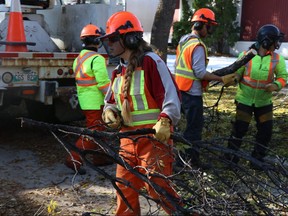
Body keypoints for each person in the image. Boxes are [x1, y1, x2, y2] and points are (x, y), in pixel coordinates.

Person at [100, 11, 182, 215]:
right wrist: (109, 112)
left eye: (112, 39)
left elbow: (171, 96)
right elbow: (109, 101)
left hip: (152, 141)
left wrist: (166, 120)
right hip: (127, 142)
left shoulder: (151, 62)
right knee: (124, 189)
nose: (109, 44)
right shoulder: (118, 71)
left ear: (129, 39)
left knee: (159, 190)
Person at [174, 8, 236, 166]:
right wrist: (220, 78)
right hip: (192, 93)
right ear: (199, 24)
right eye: (209, 27)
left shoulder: (184, 41)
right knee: (194, 129)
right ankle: (190, 162)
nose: (210, 31)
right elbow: (200, 73)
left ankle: (180, 159)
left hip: (180, 90)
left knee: (182, 127)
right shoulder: (198, 46)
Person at [225, 24, 287, 167]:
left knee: (266, 131)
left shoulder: (278, 59)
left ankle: (257, 160)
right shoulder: (246, 56)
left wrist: (276, 85)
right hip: (244, 100)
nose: (277, 44)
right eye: (275, 41)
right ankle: (230, 158)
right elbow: (238, 73)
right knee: (239, 129)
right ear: (266, 41)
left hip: (264, 102)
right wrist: (234, 79)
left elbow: (283, 77)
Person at [65, 24, 113, 175]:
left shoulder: (79, 59)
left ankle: (100, 158)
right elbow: (103, 84)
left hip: (86, 101)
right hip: (96, 101)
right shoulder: (97, 59)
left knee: (100, 129)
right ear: (97, 41)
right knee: (94, 131)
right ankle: (73, 159)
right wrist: (113, 100)